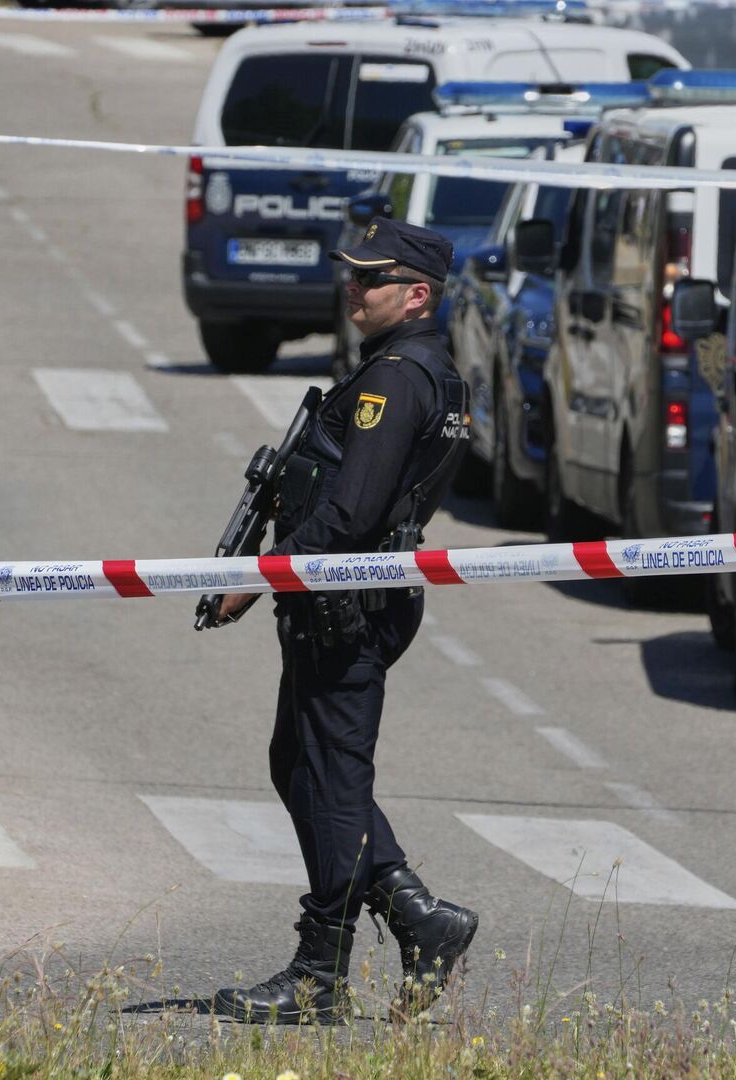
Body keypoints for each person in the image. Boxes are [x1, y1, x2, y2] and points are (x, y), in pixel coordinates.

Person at [209, 218, 480, 1025]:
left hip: (346, 607)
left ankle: (319, 973)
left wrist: (257, 576)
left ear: (418, 294)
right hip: (347, 602)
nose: (352, 288)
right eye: (351, 274)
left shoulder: (397, 379)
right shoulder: (413, 368)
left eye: (370, 278)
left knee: (330, 781)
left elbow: (351, 513)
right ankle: (417, 916)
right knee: (302, 764)